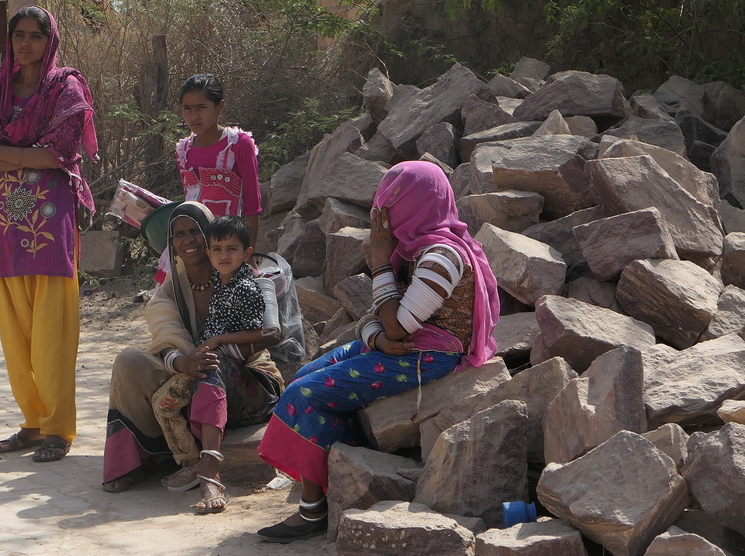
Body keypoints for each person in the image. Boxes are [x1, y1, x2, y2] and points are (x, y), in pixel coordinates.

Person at [254, 160, 500, 542]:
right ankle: (341, 472)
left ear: (417, 204)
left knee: (302, 395)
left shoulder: (441, 257)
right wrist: (378, 338)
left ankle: (313, 509)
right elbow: (376, 319)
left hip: (430, 357)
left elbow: (398, 324)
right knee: (304, 377)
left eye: (389, 204)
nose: (379, 216)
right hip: (400, 348)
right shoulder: (412, 249)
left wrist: (381, 263)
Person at [0, 5, 98, 464]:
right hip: (4, 222)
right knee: (15, 329)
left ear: (50, 41)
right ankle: (32, 422)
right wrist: (26, 154)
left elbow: (60, 154)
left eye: (35, 36)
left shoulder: (65, 87)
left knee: (52, 330)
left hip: (49, 222)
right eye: (18, 35)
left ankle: (59, 429)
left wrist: (5, 154)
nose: (26, 44)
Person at [102, 201, 284, 514]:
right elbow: (166, 337)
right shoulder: (170, 290)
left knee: (210, 360)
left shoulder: (239, 277)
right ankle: (143, 460)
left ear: (209, 235)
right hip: (192, 375)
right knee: (129, 360)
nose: (188, 239)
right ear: (171, 244)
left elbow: (268, 332)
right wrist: (184, 362)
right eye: (179, 234)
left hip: (246, 385)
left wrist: (210, 348)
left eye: (195, 231)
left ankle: (207, 472)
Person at [152, 75, 263, 286]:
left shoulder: (238, 145)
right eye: (187, 109)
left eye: (201, 107)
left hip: (227, 247)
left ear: (219, 107)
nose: (194, 116)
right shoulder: (183, 150)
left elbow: (252, 206)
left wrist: (247, 253)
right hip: (193, 245)